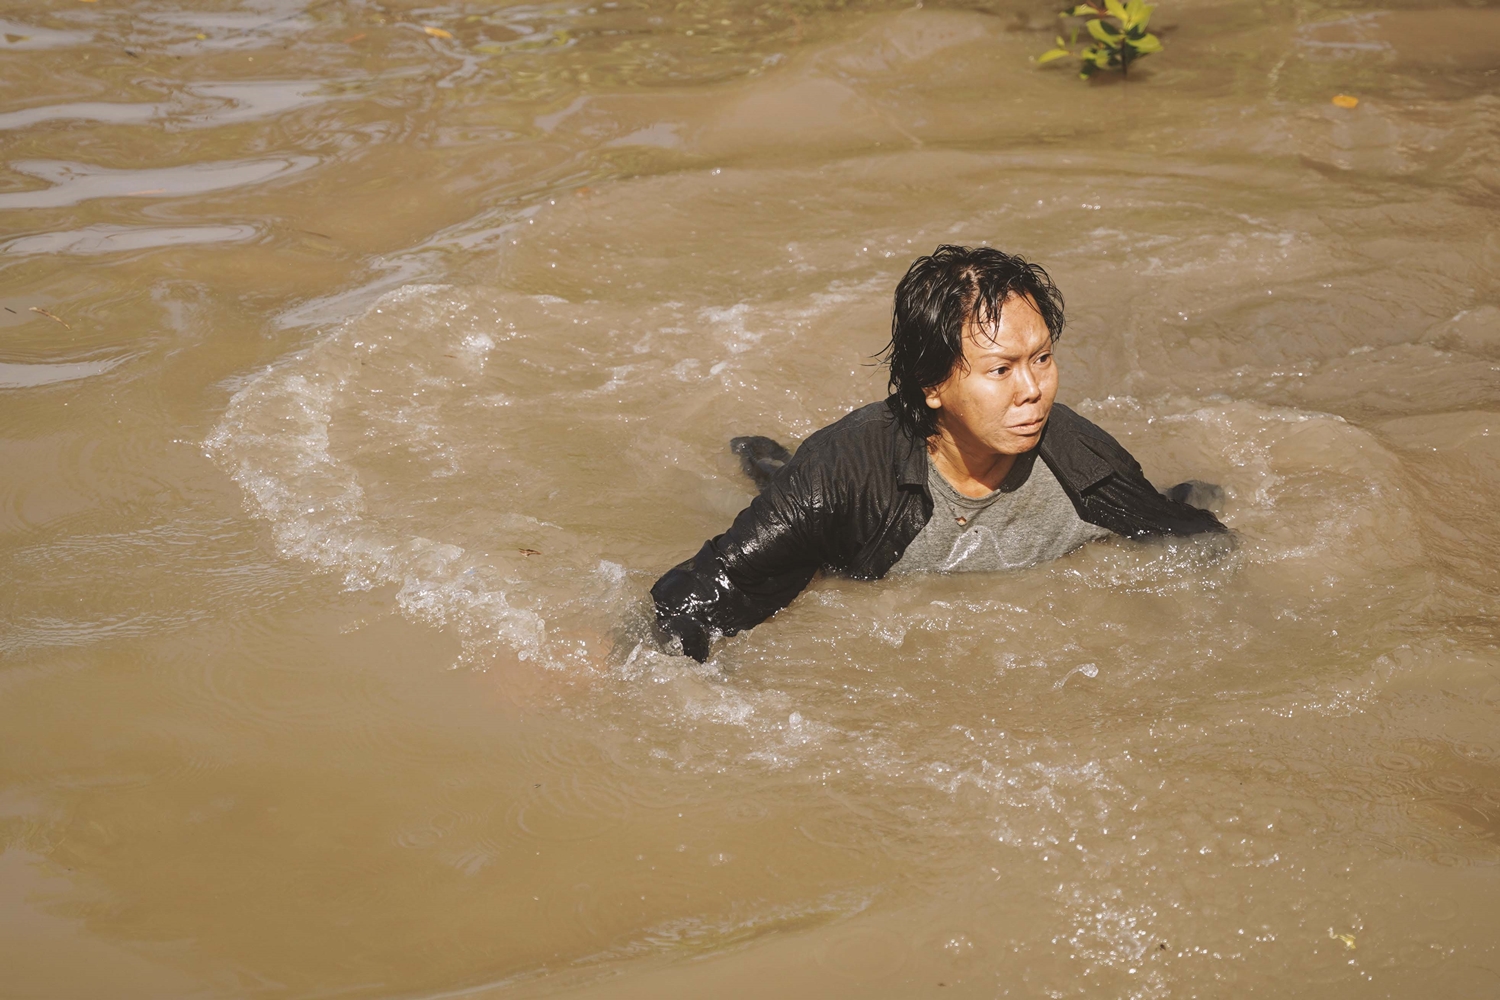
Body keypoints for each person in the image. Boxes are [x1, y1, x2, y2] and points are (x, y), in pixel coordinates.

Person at [651, 245, 1229, 661]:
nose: (1033, 389)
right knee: (782, 493)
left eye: (1043, 359)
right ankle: (766, 460)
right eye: (1000, 369)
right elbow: (703, 594)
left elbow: (1197, 538)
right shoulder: (840, 478)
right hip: (839, 502)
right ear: (932, 385)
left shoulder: (1086, 467)